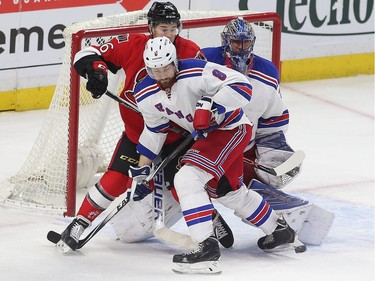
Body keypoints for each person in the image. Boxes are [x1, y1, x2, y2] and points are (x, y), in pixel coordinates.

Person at [57, 1, 232, 252]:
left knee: (184, 183)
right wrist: (97, 72)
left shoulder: (190, 51)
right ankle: (80, 223)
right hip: (138, 135)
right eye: (163, 28)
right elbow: (87, 53)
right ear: (150, 27)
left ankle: (210, 218)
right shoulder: (131, 44)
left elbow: (209, 88)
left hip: (176, 137)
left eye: (174, 28)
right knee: (116, 179)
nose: (170, 35)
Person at [131, 36, 305, 274]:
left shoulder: (197, 70)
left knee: (186, 178)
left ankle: (206, 249)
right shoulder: (145, 93)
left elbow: (243, 86)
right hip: (210, 137)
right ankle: (279, 230)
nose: (161, 75)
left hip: (231, 128)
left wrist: (213, 104)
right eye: (155, 70)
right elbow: (154, 130)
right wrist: (142, 172)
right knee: (228, 192)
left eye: (166, 67)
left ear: (175, 61)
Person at [200, 18, 301, 189]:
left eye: (245, 43)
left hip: (244, 148)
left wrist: (270, 143)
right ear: (225, 42)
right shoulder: (205, 61)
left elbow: (274, 115)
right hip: (204, 145)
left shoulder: (267, 73)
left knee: (277, 173)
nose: (241, 48)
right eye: (236, 42)